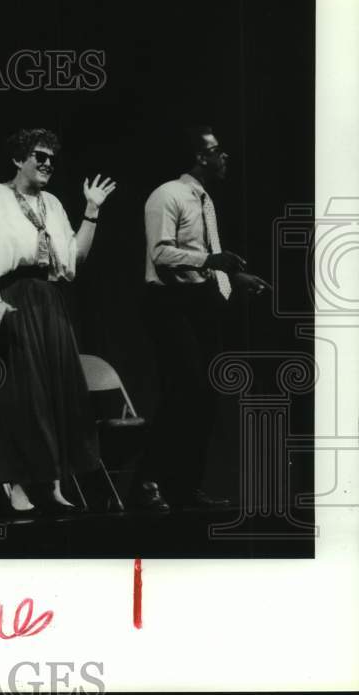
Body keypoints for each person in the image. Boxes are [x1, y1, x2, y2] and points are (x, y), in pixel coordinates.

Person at [0, 128, 116, 514]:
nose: (47, 163)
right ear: (18, 159)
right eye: (38, 156)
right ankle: (17, 484)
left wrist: (92, 211)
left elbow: (74, 259)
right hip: (9, 296)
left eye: (51, 158)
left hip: (49, 299)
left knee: (58, 391)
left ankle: (52, 483)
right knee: (19, 393)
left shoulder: (54, 203)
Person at [135, 125, 271, 511]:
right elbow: (161, 254)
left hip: (198, 301)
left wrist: (233, 276)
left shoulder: (204, 200)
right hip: (168, 303)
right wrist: (211, 261)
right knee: (184, 392)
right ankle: (148, 482)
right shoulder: (167, 195)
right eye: (218, 150)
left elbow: (202, 258)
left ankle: (185, 487)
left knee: (207, 397)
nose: (224, 156)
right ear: (200, 156)